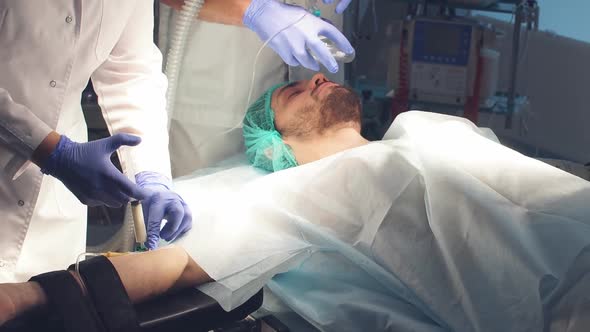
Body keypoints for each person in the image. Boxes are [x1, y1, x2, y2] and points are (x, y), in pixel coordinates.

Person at [0, 2, 194, 283]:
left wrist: (150, 173)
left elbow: (130, 71)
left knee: (51, 306)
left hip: (52, 209)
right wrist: (51, 150)